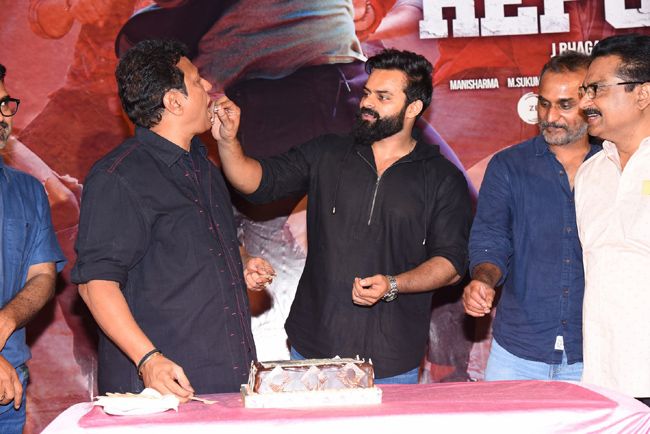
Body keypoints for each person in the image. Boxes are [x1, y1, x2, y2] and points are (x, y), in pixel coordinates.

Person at [213, 48, 472, 383]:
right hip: (313, 349)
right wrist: (227, 142)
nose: (367, 103)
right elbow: (256, 183)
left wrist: (393, 284)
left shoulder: (441, 177)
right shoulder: (328, 152)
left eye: (382, 97)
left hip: (392, 361)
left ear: (413, 108)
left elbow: (451, 264)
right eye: (367, 93)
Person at [71, 39, 275, 400]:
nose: (208, 85)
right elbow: (95, 283)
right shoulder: (119, 176)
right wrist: (148, 359)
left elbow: (209, 243)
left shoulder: (204, 169)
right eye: (196, 81)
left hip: (228, 381)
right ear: (174, 102)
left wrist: (242, 262)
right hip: (163, 392)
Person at [462, 51, 601, 381]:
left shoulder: (613, 165)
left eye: (565, 105)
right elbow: (491, 239)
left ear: (591, 102)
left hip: (594, 354)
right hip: (516, 353)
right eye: (543, 103)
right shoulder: (509, 166)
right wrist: (483, 280)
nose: (550, 116)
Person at [574, 34, 650, 405]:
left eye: (598, 89)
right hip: (605, 380)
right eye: (586, 90)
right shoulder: (591, 173)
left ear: (642, 94)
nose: (585, 102)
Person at [0, 63, 66, 433]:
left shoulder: (28, 190)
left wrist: (7, 319)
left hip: (10, 389)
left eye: (4, 104)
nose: (2, 115)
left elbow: (43, 275)